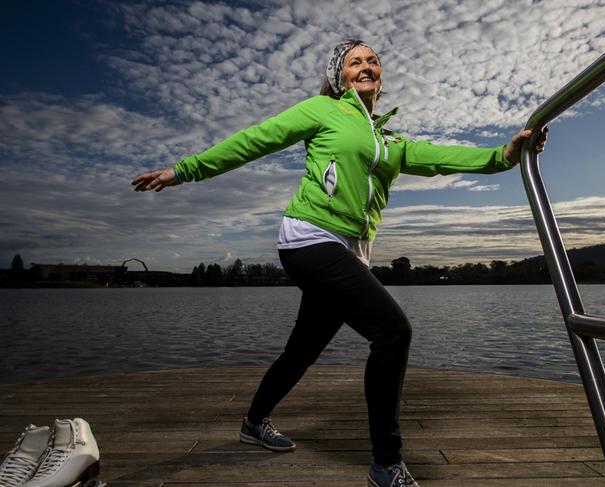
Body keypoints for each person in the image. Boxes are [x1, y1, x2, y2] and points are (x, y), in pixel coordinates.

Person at [132, 39, 548, 487]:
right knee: (393, 332)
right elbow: (254, 141)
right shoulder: (322, 110)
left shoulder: (391, 141)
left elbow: (445, 157)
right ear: (339, 76)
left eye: (373, 61)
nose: (366, 66)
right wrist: (184, 170)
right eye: (355, 62)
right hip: (309, 238)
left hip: (350, 252)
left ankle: (254, 423)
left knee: (303, 350)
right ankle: (386, 465)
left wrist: (505, 156)